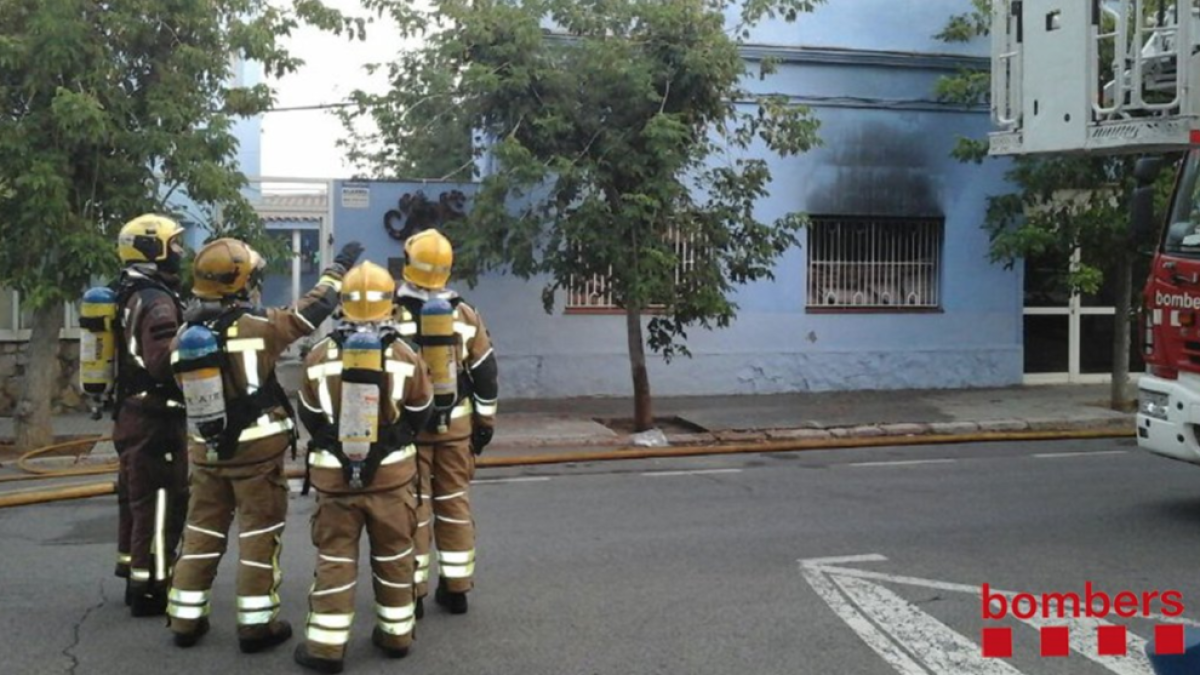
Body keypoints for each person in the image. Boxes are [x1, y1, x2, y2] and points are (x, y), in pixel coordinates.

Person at [165, 237, 363, 652]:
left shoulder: (184, 334)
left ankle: (185, 618)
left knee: (201, 530)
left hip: (206, 452)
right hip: (257, 455)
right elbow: (314, 309)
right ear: (240, 282)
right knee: (259, 535)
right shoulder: (260, 327)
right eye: (253, 278)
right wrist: (339, 267)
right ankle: (256, 627)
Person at [293, 260, 434, 674]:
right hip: (392, 479)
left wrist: (340, 450)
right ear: (390, 304)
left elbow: (309, 412)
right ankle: (396, 637)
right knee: (394, 554)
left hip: (335, 481)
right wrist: (384, 447)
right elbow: (421, 410)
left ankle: (325, 649)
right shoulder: (406, 353)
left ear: (344, 304)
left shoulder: (319, 354)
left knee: (335, 558)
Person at [392, 229, 498, 616]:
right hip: (457, 431)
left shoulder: (391, 314)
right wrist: (484, 424)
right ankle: (456, 590)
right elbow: (486, 374)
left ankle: (413, 593)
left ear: (408, 264)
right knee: (453, 505)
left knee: (414, 510)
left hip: (410, 433)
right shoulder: (465, 314)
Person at [110, 214, 189, 617]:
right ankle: (151, 589)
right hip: (155, 418)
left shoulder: (127, 290)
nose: (180, 252)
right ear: (151, 249)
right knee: (161, 503)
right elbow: (163, 363)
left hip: (130, 411)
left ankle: (132, 572)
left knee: (134, 498)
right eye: (174, 244)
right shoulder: (157, 302)